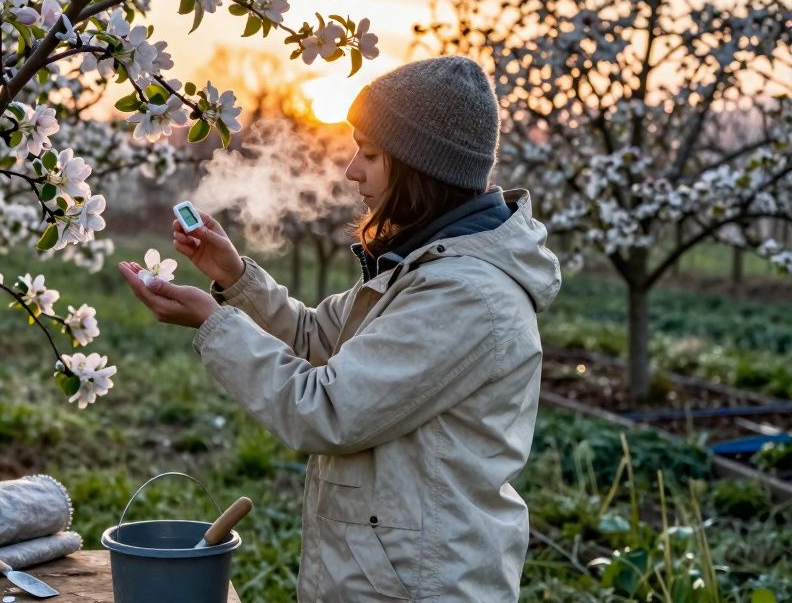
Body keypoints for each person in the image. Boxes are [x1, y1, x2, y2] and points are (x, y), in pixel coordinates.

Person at [117, 56, 562, 601]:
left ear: (424, 170)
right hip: (388, 576)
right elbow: (315, 340)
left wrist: (214, 324)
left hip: (422, 587)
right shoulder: (421, 265)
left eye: (370, 155)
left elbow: (324, 411)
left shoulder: (464, 295)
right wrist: (234, 278)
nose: (352, 170)